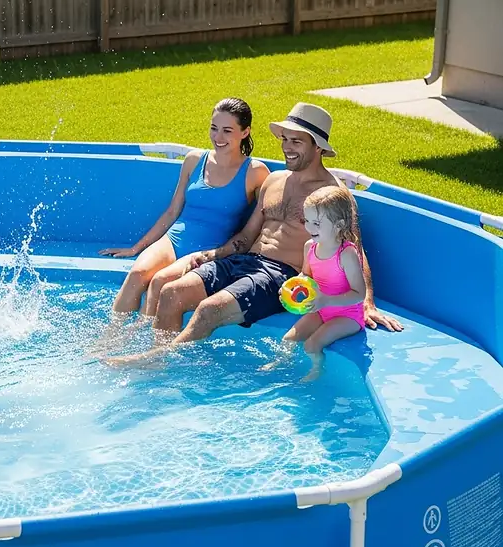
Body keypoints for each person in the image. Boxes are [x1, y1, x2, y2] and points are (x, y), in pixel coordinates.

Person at [105, 102, 402, 366]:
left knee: (209, 310)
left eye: (296, 141)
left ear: (318, 147)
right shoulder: (274, 180)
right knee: (171, 292)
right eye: (284, 139)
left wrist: (366, 303)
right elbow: (247, 236)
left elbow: (355, 249)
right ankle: (161, 360)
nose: (287, 147)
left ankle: (156, 360)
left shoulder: (331, 193)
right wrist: (212, 255)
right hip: (245, 261)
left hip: (280, 276)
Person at [99, 97, 269, 324]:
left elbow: (263, 222)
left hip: (209, 251)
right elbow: (172, 211)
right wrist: (136, 248)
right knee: (136, 275)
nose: (218, 137)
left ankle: (142, 351)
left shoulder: (255, 172)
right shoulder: (194, 160)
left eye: (227, 131)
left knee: (160, 282)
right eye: (214, 128)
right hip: (174, 239)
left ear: (245, 132)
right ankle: (110, 341)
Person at [276, 186, 366, 381]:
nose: (309, 228)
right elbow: (305, 275)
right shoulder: (310, 247)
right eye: (307, 221)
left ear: (339, 224)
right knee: (288, 339)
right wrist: (290, 288)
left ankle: (316, 371)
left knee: (312, 344)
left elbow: (359, 294)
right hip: (321, 309)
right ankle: (280, 364)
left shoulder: (346, 254)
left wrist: (326, 300)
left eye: (316, 223)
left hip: (347, 316)